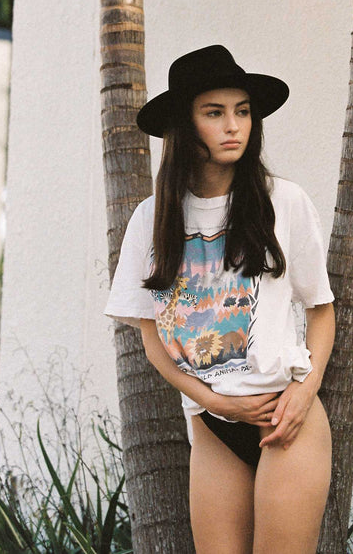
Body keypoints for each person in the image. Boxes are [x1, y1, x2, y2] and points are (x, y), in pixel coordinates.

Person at [105, 44, 335, 554]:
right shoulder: (151, 219)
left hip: (285, 415)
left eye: (243, 111)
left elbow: (321, 309)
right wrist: (212, 402)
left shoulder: (283, 201)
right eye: (214, 113)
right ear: (185, 126)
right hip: (212, 424)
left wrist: (305, 391)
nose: (234, 126)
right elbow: (151, 338)